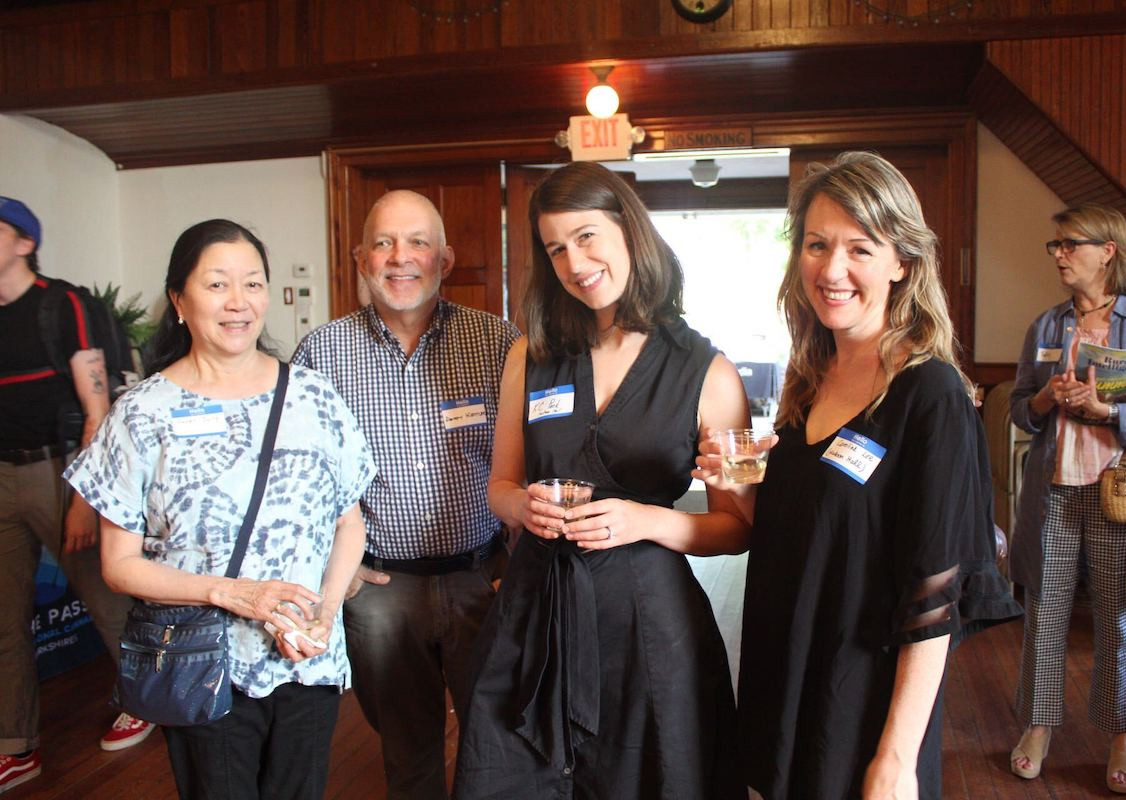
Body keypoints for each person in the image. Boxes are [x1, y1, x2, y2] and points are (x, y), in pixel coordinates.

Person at [721, 151, 1020, 799]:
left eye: (860, 248)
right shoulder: (807, 385)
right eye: (817, 245)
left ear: (902, 263)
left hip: (861, 706)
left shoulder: (929, 396)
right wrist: (739, 486)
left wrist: (896, 757)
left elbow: (937, 596)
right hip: (789, 683)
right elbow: (796, 542)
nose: (832, 270)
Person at [452, 161, 750, 799]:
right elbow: (500, 485)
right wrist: (522, 506)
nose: (574, 262)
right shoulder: (528, 357)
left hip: (647, 619)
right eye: (556, 248)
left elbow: (736, 527)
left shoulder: (707, 371)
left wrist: (646, 520)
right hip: (536, 609)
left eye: (586, 236)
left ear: (629, 231)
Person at [64, 219, 375, 800]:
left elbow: (348, 522)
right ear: (179, 300)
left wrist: (325, 612)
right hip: (203, 658)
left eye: (253, 284)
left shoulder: (314, 395)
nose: (239, 303)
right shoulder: (140, 412)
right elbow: (119, 564)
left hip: (305, 659)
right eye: (217, 285)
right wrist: (232, 593)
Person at [292, 190, 520, 800]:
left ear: (444, 259)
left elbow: (533, 457)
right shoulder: (321, 354)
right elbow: (298, 479)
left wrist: (519, 563)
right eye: (385, 243)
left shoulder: (500, 344)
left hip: (483, 579)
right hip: (380, 593)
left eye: (417, 242)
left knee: (496, 743)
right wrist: (339, 569)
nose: (401, 258)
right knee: (407, 751)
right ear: (361, 257)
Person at [1008, 203, 1126, 794]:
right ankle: (1038, 726)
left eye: (1068, 244)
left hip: (1120, 495)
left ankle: (1122, 734)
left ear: (1108, 250)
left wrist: (1105, 410)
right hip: (1054, 492)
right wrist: (1045, 401)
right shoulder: (1046, 326)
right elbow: (1019, 409)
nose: (1058, 254)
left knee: (1119, 621)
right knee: (1045, 615)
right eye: (1054, 246)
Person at [0, 197, 154, 795]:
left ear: (24, 243)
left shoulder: (61, 304)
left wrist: (85, 498)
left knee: (104, 593)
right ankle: (16, 745)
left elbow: (98, 407)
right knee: (5, 620)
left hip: (61, 470)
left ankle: (145, 699)